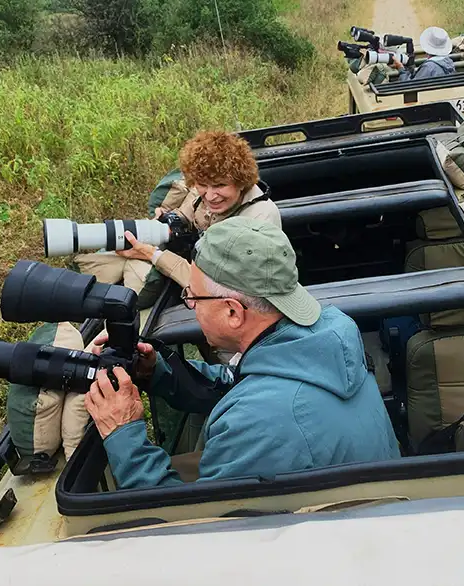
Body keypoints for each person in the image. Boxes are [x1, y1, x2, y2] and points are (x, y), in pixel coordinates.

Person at [84, 218, 401, 489]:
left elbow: (190, 526)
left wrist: (123, 433)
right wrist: (158, 371)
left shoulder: (259, 422)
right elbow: (246, 381)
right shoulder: (328, 330)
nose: (190, 305)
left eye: (192, 296)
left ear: (233, 312)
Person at [116, 130, 281, 290]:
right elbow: (183, 216)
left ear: (241, 181)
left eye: (220, 185)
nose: (209, 196)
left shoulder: (259, 219)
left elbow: (216, 288)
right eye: (202, 184)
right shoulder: (200, 192)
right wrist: (165, 221)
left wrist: (152, 254)